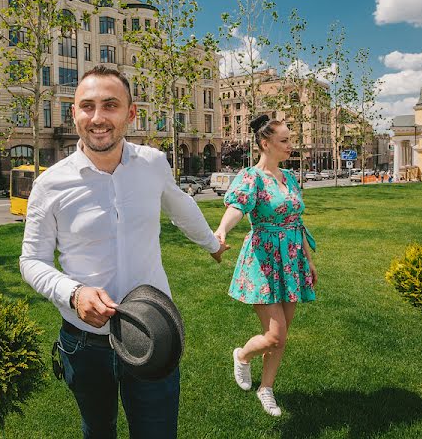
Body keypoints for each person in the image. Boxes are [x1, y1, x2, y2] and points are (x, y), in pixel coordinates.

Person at [19, 65, 229, 439]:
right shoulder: (49, 184)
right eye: (87, 106)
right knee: (98, 430)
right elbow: (31, 260)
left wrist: (212, 244)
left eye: (110, 105)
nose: (98, 118)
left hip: (152, 332)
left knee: (157, 433)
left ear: (131, 114)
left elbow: (179, 205)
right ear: (74, 113)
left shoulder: (153, 162)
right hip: (83, 341)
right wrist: (74, 293)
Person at [213, 114, 317, 417]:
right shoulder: (251, 177)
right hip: (264, 259)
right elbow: (236, 208)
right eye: (284, 141)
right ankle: (243, 356)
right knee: (274, 335)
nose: (290, 146)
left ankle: (266, 388)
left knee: (281, 335)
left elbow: (297, 221)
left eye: (290, 140)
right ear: (265, 143)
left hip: (292, 259)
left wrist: (308, 261)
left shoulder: (289, 177)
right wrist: (222, 230)